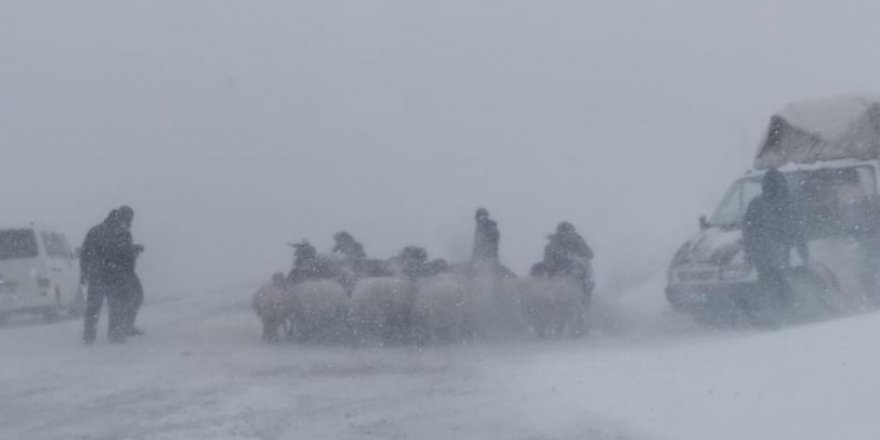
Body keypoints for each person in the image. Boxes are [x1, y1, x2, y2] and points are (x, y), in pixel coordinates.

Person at [743, 169, 809, 310]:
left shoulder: (757, 203)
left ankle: (780, 310)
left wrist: (749, 253)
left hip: (766, 255)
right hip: (778, 253)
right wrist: (803, 252)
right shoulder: (789, 202)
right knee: (783, 281)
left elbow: (748, 231)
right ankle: (787, 309)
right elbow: (798, 230)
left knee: (773, 283)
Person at [80, 207, 140, 344]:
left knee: (93, 309)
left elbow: (85, 253)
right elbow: (128, 257)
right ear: (123, 219)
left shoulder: (95, 230)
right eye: (128, 220)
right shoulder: (123, 234)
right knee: (116, 307)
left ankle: (88, 337)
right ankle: (115, 335)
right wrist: (129, 271)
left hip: (97, 275)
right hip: (115, 277)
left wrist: (83, 272)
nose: (129, 223)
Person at [542, 222, 594, 298]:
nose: (567, 236)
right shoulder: (552, 246)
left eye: (569, 232)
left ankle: (584, 297)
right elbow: (549, 264)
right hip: (558, 275)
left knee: (584, 278)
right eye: (564, 233)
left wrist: (577, 259)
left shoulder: (578, 241)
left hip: (577, 273)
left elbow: (589, 254)